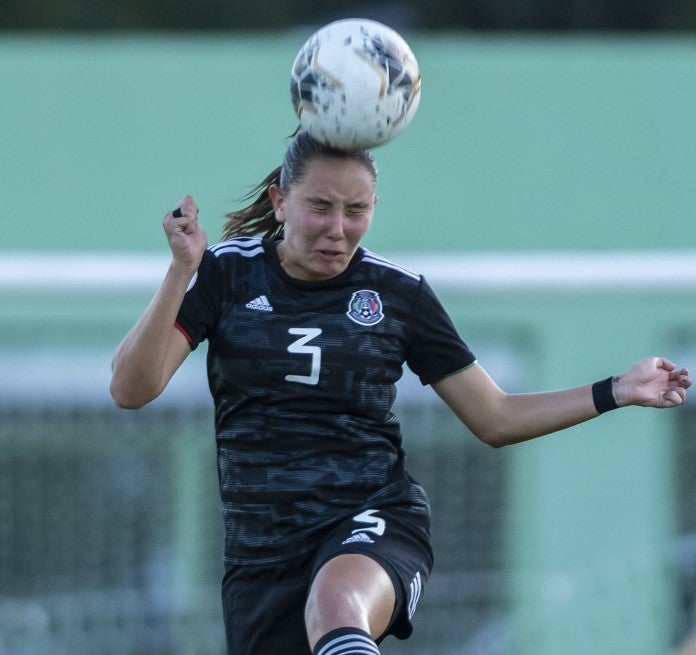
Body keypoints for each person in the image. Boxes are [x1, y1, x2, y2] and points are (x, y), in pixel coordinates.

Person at [110, 130, 691, 655]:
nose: (338, 229)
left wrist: (618, 388)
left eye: (356, 211)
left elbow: (495, 417)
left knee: (337, 607)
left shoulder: (398, 294)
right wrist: (180, 271)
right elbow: (132, 390)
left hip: (373, 518)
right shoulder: (225, 273)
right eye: (320, 207)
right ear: (280, 202)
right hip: (261, 555)